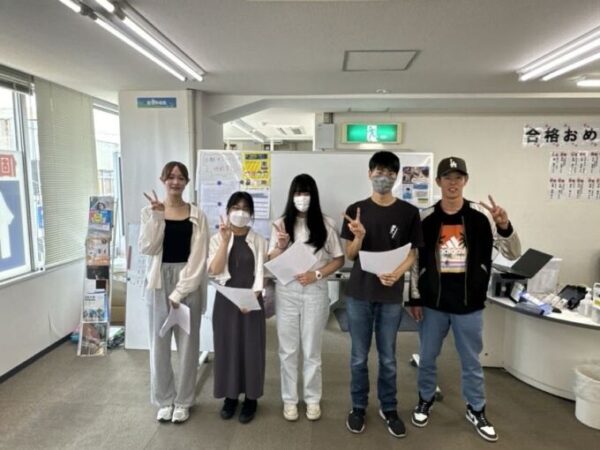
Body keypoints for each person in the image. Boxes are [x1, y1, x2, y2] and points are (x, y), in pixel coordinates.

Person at [407, 156, 521, 442]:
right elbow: (415, 262)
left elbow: (513, 253)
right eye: (447, 177)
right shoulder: (425, 217)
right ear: (438, 182)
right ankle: (425, 399)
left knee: (471, 361)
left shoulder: (481, 217)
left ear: (465, 181)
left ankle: (476, 408)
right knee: (427, 357)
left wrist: (505, 225)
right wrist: (414, 299)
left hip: (469, 304)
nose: (453, 183)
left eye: (458, 177)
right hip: (433, 303)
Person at [341, 151, 423, 438]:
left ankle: (389, 408)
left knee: (388, 357)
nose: (383, 177)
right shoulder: (356, 209)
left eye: (390, 173)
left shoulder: (409, 212)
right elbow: (350, 255)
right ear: (369, 174)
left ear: (397, 177)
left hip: (390, 295)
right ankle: (358, 407)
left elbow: (412, 253)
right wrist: (359, 237)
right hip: (359, 294)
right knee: (358, 357)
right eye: (378, 171)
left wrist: (397, 273)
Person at [268, 174, 344, 422]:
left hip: (315, 291)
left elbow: (339, 259)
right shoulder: (280, 224)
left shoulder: (326, 223)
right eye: (298, 193)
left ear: (314, 196)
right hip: (287, 291)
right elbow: (270, 260)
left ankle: (312, 399)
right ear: (291, 195)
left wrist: (317, 274)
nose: (302, 198)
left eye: (307, 193)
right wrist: (281, 246)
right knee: (288, 350)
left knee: (311, 349)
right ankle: (290, 399)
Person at [138, 161, 209, 424]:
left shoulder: (197, 215)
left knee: (189, 345)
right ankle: (164, 400)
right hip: (158, 281)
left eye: (180, 178)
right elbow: (147, 247)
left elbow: (199, 257)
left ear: (187, 182)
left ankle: (184, 401)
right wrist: (158, 217)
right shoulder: (149, 212)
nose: (175, 182)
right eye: (171, 177)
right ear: (163, 180)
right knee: (158, 344)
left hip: (188, 281)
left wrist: (180, 291)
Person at [208, 192, 267, 424]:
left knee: (251, 349)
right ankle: (230, 397)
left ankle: (251, 398)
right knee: (227, 348)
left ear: (251, 213)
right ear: (228, 211)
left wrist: (251, 299)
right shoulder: (216, 238)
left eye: (245, 208)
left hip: (252, 302)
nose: (240, 212)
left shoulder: (259, 240)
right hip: (225, 302)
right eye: (235, 207)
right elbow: (214, 270)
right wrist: (225, 241)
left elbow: (261, 273)